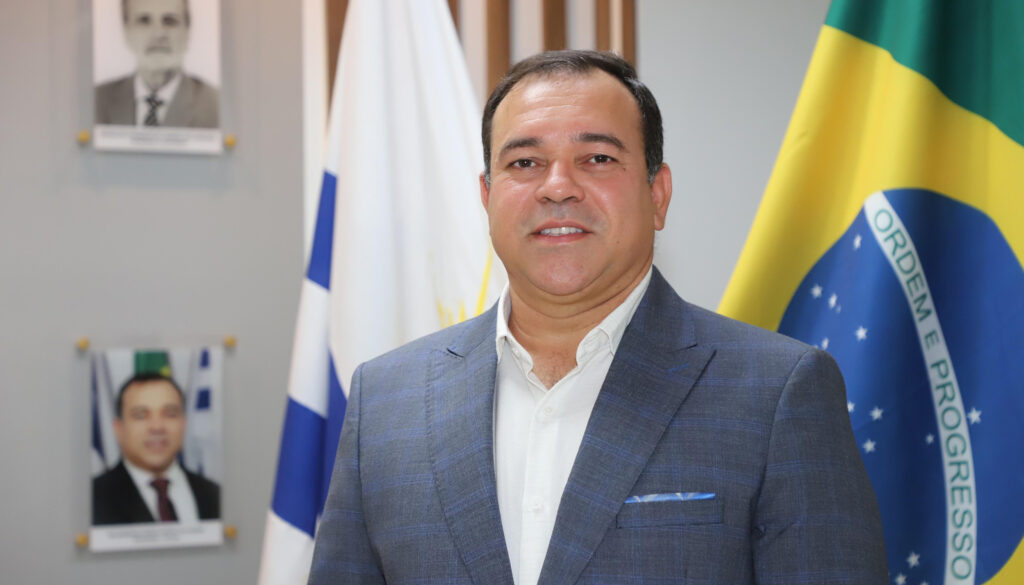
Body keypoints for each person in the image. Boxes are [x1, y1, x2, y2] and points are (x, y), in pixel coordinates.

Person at [308, 50, 887, 584]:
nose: (558, 187)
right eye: (525, 162)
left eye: (598, 158)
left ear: (657, 195)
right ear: (487, 197)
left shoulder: (777, 392)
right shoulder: (386, 402)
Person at [92, 372, 219, 525]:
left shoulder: (215, 494)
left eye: (170, 414)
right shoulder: (91, 500)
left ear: (184, 424)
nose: (157, 427)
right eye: (141, 415)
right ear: (119, 429)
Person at [94, 0, 218, 128]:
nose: (158, 34)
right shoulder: (95, 101)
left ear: (187, 30)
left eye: (170, 21)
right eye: (144, 21)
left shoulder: (216, 105)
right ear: (126, 31)